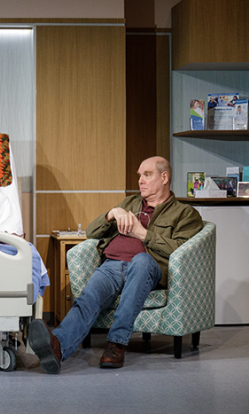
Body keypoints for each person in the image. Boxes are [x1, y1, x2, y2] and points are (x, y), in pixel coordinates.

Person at [28, 156, 203, 373]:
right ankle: (57, 347)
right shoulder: (129, 203)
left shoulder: (185, 213)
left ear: (164, 177)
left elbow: (181, 250)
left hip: (147, 267)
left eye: (147, 175)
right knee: (87, 297)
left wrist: (142, 234)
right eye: (139, 175)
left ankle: (116, 345)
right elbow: (92, 232)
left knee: (141, 261)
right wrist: (112, 213)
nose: (140, 180)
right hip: (111, 264)